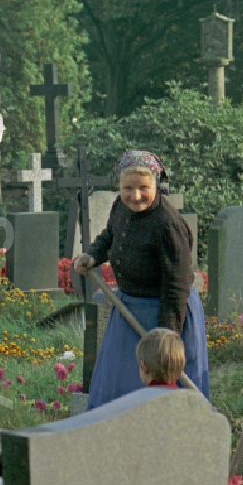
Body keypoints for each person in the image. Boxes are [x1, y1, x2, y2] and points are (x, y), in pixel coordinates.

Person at [72, 150, 209, 406]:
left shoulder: (167, 225)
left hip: (166, 313)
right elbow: (110, 236)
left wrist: (165, 337)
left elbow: (176, 287)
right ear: (119, 186)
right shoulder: (120, 208)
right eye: (128, 188)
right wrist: (93, 256)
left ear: (156, 184)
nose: (135, 196)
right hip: (129, 311)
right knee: (118, 381)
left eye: (143, 188)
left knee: (162, 384)